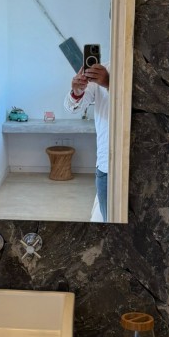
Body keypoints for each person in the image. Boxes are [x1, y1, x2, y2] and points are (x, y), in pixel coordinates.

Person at [64, 63, 110, 221]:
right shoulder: (103, 69)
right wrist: (77, 91)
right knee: (109, 221)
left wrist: (110, 83)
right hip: (106, 163)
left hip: (139, 161)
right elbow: (73, 108)